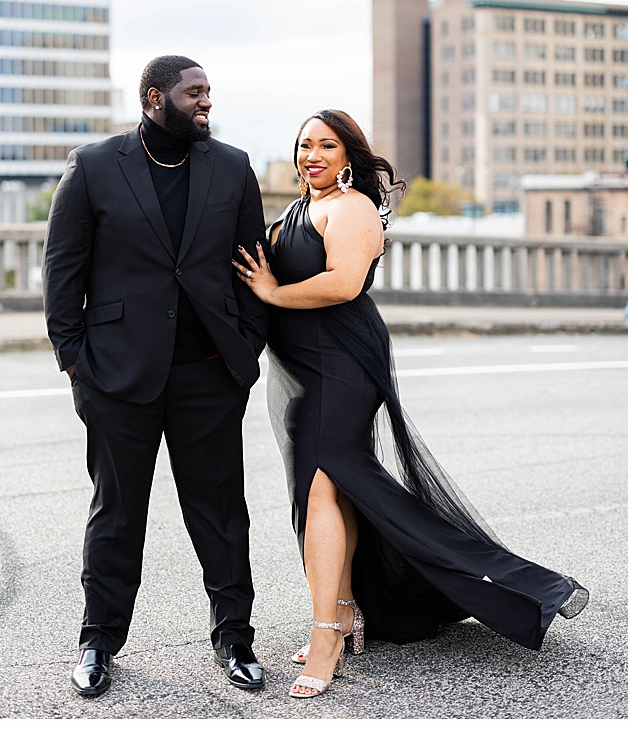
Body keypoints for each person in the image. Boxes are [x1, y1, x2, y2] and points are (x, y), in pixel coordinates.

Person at [234, 111, 588, 701]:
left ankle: (326, 634)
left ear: (349, 157)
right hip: (301, 367)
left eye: (327, 146)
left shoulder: (351, 208)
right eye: (304, 145)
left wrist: (271, 291)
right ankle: (342, 610)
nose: (312, 155)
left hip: (342, 363)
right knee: (332, 489)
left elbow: (343, 284)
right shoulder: (298, 209)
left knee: (321, 488)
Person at [41, 54, 272, 700]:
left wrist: (247, 346)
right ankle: (98, 641)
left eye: (208, 92)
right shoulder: (93, 165)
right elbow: (62, 267)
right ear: (154, 97)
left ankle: (235, 638)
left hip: (210, 375)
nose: (206, 101)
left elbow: (251, 261)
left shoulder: (233, 166)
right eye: (194, 92)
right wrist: (74, 360)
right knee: (117, 516)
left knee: (221, 514)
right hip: (117, 377)